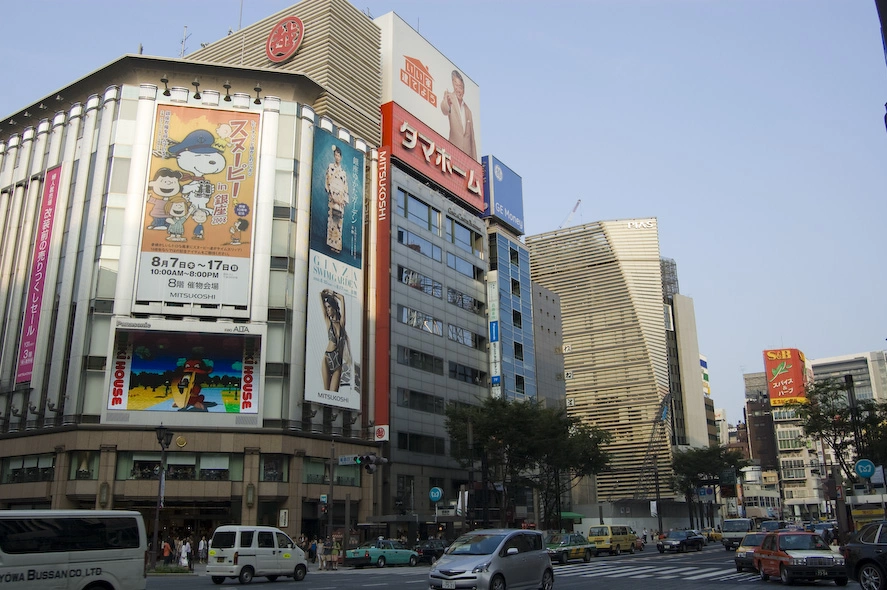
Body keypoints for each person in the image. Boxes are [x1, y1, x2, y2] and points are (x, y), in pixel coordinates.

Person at [440, 69, 477, 159]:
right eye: (456, 85)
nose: (458, 89)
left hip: (466, 158)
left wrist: (475, 162)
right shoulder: (449, 97)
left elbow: (472, 140)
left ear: (464, 90)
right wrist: (447, 104)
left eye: (460, 87)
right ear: (453, 84)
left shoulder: (468, 111)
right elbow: (444, 109)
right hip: (453, 151)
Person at [320, 289, 348, 392]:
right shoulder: (328, 322)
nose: (327, 310)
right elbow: (320, 295)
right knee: (326, 393)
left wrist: (332, 292)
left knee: (333, 395)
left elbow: (342, 298)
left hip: (338, 362)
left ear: (334, 308)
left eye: (329, 307)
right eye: (326, 307)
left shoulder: (341, 323)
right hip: (327, 358)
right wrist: (324, 293)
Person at [324, 145, 349, 253]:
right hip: (333, 198)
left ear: (341, 157)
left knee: (338, 223)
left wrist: (343, 200)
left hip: (340, 199)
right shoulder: (330, 167)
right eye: (336, 155)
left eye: (339, 156)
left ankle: (337, 246)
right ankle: (330, 244)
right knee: (331, 221)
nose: (337, 157)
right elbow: (327, 182)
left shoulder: (343, 173)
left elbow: (345, 187)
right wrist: (332, 194)